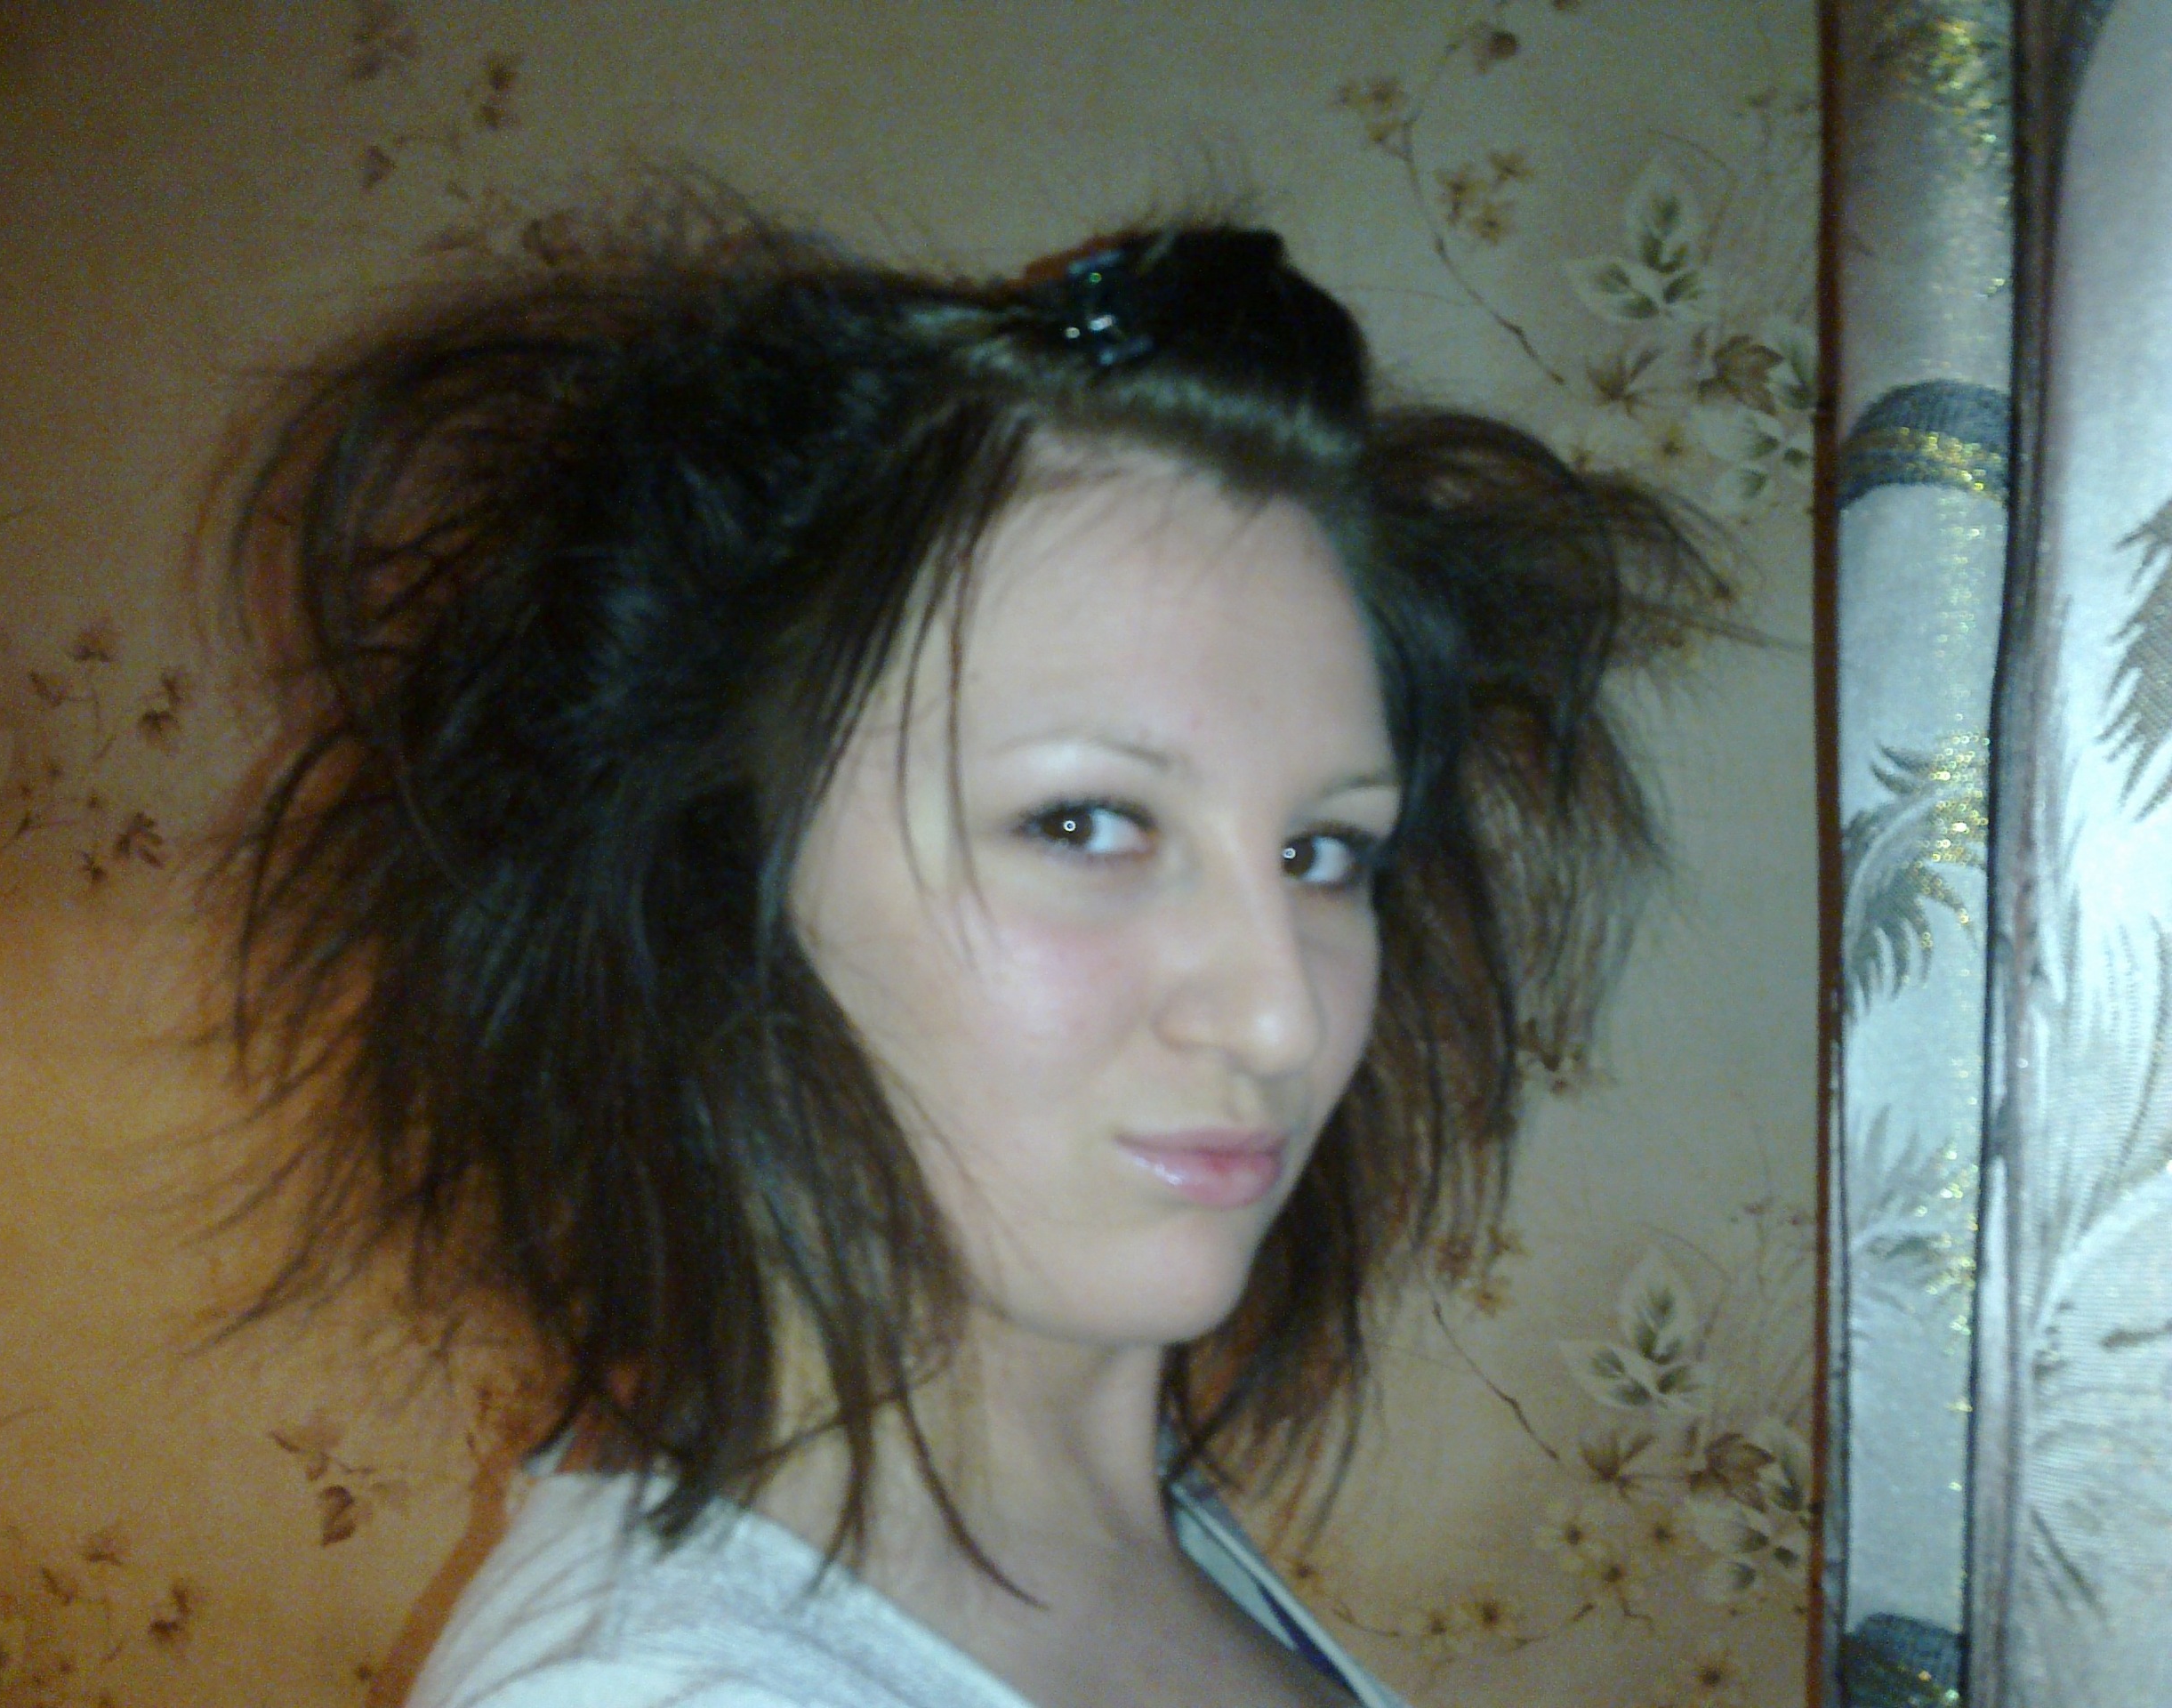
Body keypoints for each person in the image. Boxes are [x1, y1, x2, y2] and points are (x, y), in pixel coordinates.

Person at [216, 205, 1711, 1707]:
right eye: (1085, 824)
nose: (1280, 1017)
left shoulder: (1107, 1524)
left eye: (1323, 852)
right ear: (716, 874)